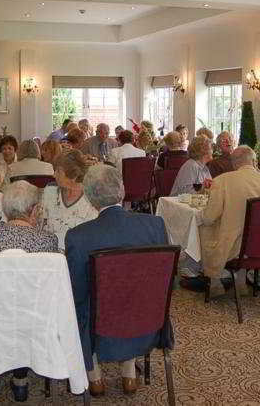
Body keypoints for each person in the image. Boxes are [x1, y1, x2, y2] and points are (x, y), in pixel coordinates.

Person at [65, 165, 169, 397]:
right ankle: (129, 373)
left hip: (100, 329)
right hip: (148, 321)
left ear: (90, 198)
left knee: (81, 303)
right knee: (134, 293)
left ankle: (94, 376)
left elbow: (77, 294)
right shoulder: (155, 225)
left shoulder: (78, 236)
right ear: (122, 190)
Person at [0, 180, 58, 402]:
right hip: (32, 317)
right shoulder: (47, 240)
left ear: (4, 208)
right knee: (23, 312)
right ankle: (21, 379)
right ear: (35, 210)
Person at [188, 147, 260, 298]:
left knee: (204, 227)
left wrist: (200, 216)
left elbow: (209, 217)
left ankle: (215, 282)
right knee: (247, 227)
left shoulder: (222, 181)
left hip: (234, 248)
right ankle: (240, 281)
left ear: (234, 164)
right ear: (254, 161)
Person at [40, 150, 98, 249]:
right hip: (48, 254)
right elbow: (40, 225)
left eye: (58, 171)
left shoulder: (91, 200)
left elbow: (92, 239)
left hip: (78, 256)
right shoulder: (49, 191)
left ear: (73, 176)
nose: (54, 175)